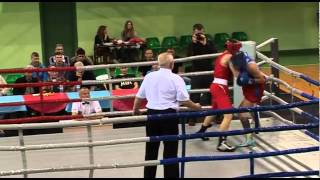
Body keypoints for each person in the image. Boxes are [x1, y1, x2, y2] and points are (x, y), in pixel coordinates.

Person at [133, 52, 202, 178]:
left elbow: (139, 97)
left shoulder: (149, 77)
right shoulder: (176, 78)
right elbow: (184, 100)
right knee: (170, 151)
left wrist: (135, 110)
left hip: (152, 115)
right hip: (169, 116)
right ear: (172, 64)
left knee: (151, 150)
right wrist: (196, 107)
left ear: (159, 64)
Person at [196, 39, 242, 152]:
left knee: (214, 110)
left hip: (217, 86)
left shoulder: (223, 55)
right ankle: (222, 143)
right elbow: (236, 75)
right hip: (220, 87)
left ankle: (201, 132)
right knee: (229, 115)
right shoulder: (230, 57)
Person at [230, 50, 266, 147]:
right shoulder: (237, 61)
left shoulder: (251, 66)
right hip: (249, 88)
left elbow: (263, 79)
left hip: (255, 89)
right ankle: (257, 126)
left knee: (241, 113)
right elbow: (237, 75)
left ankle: (249, 139)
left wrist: (250, 81)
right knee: (244, 110)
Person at [186, 23, 218, 126]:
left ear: (204, 32)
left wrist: (205, 44)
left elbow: (214, 54)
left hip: (209, 71)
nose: (199, 35)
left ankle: (216, 117)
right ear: (193, 33)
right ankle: (192, 119)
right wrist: (194, 43)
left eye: (201, 33)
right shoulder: (191, 44)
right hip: (196, 72)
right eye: (197, 33)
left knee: (212, 95)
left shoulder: (209, 42)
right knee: (194, 96)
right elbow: (189, 56)